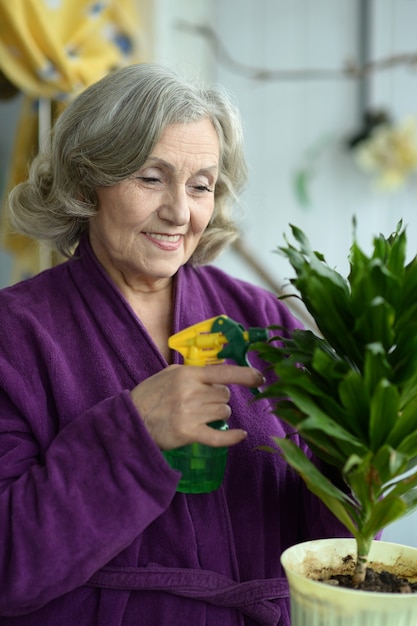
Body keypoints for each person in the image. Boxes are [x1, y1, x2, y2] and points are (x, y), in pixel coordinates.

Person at [0, 63, 351, 626]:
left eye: (201, 185)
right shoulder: (14, 336)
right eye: (150, 177)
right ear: (88, 178)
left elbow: (326, 546)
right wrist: (133, 433)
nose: (180, 212)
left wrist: (358, 454)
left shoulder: (261, 318)